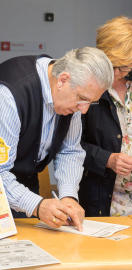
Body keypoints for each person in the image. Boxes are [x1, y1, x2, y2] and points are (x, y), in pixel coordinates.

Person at [0, 46, 113, 230]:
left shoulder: (73, 98)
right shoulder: (7, 93)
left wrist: (68, 197)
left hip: (22, 171)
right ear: (63, 80)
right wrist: (37, 205)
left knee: (27, 239)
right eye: (83, 99)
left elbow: (70, 150)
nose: (84, 110)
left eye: (91, 102)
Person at [79, 16, 132, 217]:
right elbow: (70, 146)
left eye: (126, 66)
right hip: (103, 202)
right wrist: (107, 159)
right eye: (114, 65)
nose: (119, 72)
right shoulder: (87, 87)